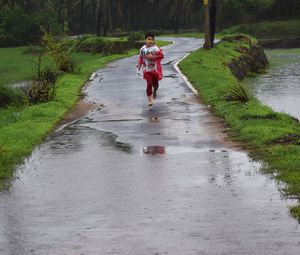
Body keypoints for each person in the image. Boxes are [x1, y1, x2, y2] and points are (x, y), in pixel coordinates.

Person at [136, 32, 164, 106]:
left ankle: (155, 91)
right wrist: (139, 63)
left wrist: (153, 57)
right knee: (149, 83)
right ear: (145, 40)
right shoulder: (142, 48)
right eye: (148, 39)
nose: (150, 41)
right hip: (146, 70)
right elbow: (141, 57)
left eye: (152, 39)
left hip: (155, 70)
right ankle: (150, 100)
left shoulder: (155, 48)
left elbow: (162, 55)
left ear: (154, 41)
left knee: (155, 84)